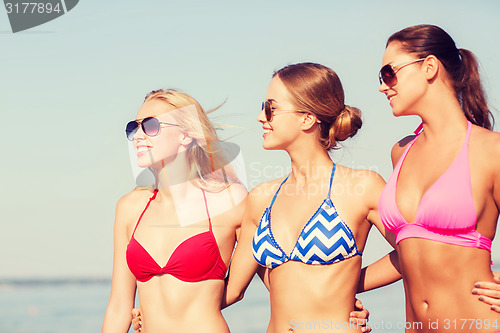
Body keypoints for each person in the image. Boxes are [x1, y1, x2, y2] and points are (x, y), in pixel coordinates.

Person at [221, 62, 398, 333]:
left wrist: (350, 285)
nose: (260, 117)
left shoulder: (362, 186)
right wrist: (155, 309)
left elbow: (415, 255)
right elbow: (232, 290)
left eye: (271, 108)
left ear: (306, 118)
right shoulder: (261, 198)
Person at [377, 24, 500, 331]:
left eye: (388, 73)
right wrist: (341, 289)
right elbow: (409, 252)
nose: (382, 86)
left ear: (429, 67)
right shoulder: (400, 152)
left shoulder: (491, 150)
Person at [102, 89, 248, 332]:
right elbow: (118, 306)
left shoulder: (230, 199)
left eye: (150, 125)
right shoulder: (130, 208)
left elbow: (240, 287)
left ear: (185, 135)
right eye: (133, 127)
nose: (138, 135)